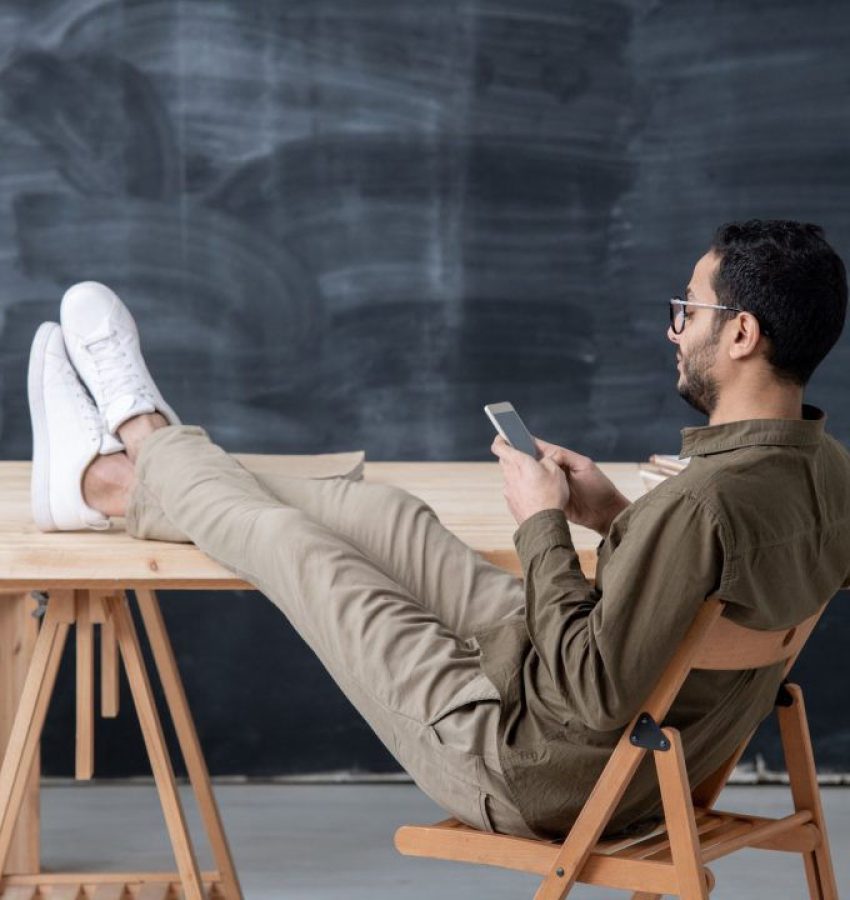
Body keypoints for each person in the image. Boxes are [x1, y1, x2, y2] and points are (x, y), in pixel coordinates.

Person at [26, 219, 850, 842]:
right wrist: (608, 515)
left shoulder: (699, 504)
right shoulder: (826, 472)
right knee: (386, 513)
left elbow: (591, 696)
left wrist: (541, 525)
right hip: (625, 732)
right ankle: (119, 479)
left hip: (536, 765)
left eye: (689, 310)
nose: (676, 328)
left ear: (740, 334)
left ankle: (131, 444)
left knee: (293, 549)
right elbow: (717, 585)